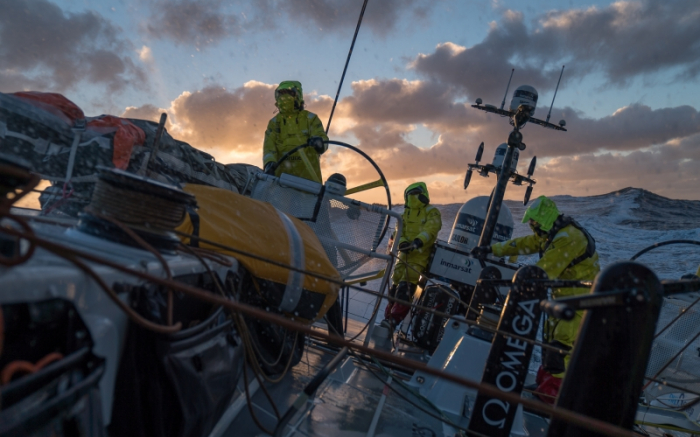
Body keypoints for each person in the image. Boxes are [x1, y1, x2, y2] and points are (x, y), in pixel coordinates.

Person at [470, 195, 600, 404]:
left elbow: (545, 270)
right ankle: (544, 385)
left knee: (560, 348)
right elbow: (523, 244)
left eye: (534, 221)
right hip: (561, 297)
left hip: (578, 302)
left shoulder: (568, 238)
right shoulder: (549, 233)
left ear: (545, 219)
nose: (531, 225)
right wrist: (492, 249)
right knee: (549, 343)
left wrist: (522, 282)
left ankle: (553, 395)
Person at [380, 182, 442, 330]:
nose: (415, 196)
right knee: (395, 286)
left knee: (406, 286)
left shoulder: (431, 212)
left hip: (419, 257)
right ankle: (388, 318)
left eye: (416, 193)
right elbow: (398, 231)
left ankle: (394, 320)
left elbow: (432, 228)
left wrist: (418, 241)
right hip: (403, 255)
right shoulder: (403, 215)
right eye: (412, 194)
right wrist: (402, 242)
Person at [263, 81, 329, 183]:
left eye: (289, 93)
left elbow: (322, 138)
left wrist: (319, 143)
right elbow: (269, 147)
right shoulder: (274, 123)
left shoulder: (310, 119)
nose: (284, 97)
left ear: (298, 96)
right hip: (281, 182)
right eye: (281, 94)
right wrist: (269, 163)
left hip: (309, 182)